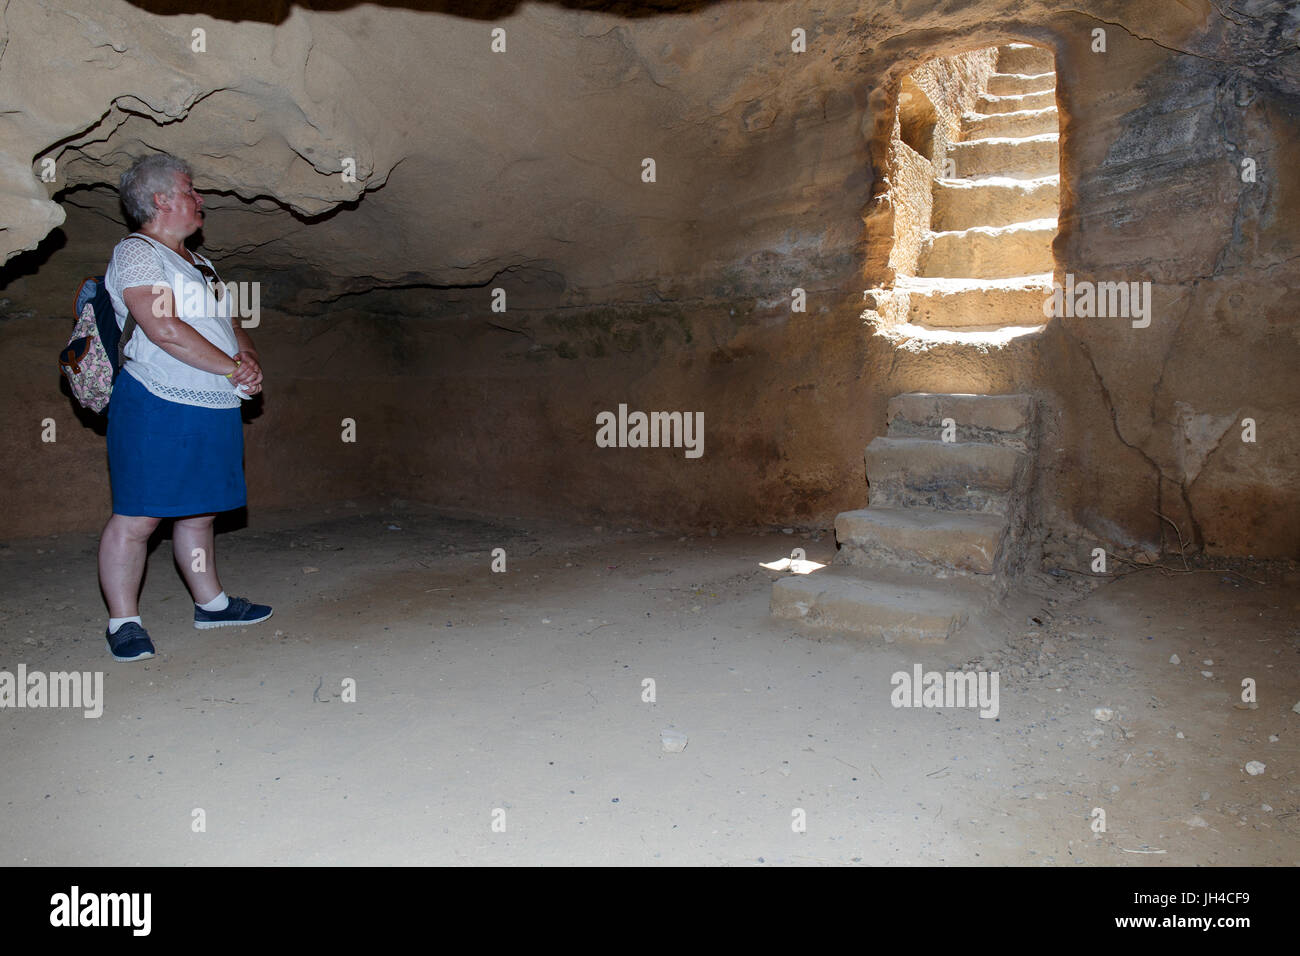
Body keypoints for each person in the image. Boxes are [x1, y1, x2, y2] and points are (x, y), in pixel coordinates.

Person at [97, 153, 272, 662]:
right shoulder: (136, 252)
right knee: (139, 516)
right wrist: (232, 369)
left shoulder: (200, 263)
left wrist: (248, 360)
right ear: (161, 200)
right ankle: (123, 621)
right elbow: (163, 329)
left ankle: (211, 604)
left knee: (199, 512)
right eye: (191, 190)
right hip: (156, 398)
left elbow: (231, 325)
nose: (201, 201)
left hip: (213, 401)